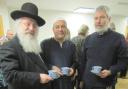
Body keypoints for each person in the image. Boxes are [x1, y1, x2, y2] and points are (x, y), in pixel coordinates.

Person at [0, 2, 53, 89]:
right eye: (27, 24)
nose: (31, 28)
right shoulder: (8, 46)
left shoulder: (32, 45)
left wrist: (51, 68)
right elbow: (10, 75)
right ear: (18, 24)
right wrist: (38, 78)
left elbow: (37, 66)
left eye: (35, 25)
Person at [80, 5, 128, 89]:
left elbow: (124, 61)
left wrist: (110, 71)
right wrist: (80, 80)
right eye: (96, 18)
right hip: (87, 84)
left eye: (102, 17)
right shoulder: (88, 39)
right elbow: (83, 62)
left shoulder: (119, 38)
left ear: (109, 19)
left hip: (106, 84)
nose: (98, 21)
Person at [40, 19, 78, 89]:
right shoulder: (45, 44)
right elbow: (40, 63)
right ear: (53, 29)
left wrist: (73, 69)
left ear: (66, 29)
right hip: (50, 83)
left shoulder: (71, 45)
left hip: (67, 83)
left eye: (63, 27)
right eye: (57, 27)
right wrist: (51, 67)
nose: (60, 29)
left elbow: (75, 62)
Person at [71, 24, 89, 89]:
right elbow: (85, 54)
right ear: (86, 31)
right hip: (82, 65)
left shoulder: (72, 39)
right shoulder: (86, 40)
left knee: (72, 83)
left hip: (73, 64)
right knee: (80, 83)